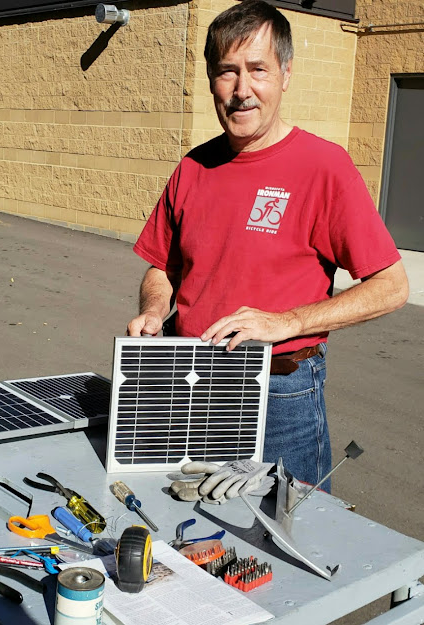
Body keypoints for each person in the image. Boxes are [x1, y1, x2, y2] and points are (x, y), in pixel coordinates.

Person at [126, 0, 409, 490]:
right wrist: (154, 310)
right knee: (185, 523)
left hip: (279, 393)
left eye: (257, 69)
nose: (241, 91)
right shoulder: (192, 168)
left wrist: (285, 322)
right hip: (187, 377)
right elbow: (161, 266)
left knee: (285, 538)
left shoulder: (324, 167)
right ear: (211, 79)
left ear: (285, 74)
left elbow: (391, 287)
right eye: (226, 72)